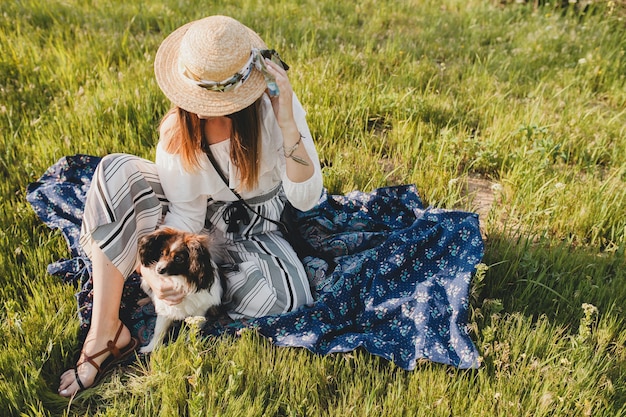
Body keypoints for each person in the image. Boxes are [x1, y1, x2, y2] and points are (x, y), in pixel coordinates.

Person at [58, 15, 323, 397]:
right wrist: (157, 275)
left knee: (286, 296)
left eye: (216, 103)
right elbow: (186, 215)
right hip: (200, 226)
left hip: (257, 226)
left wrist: (287, 123)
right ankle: (106, 332)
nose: (200, 112)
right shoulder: (178, 130)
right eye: (197, 100)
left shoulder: (275, 113)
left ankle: (200, 292)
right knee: (114, 172)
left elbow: (306, 198)